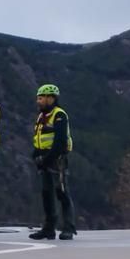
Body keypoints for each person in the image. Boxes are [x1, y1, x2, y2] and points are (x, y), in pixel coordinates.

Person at [29, 84, 77, 241]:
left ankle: (68, 228)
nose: (38, 101)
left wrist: (46, 159)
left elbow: (60, 142)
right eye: (38, 98)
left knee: (62, 193)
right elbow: (39, 139)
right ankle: (49, 229)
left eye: (41, 98)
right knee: (46, 194)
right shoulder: (41, 116)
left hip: (57, 159)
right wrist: (35, 155)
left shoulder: (59, 115)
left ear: (51, 98)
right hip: (44, 158)